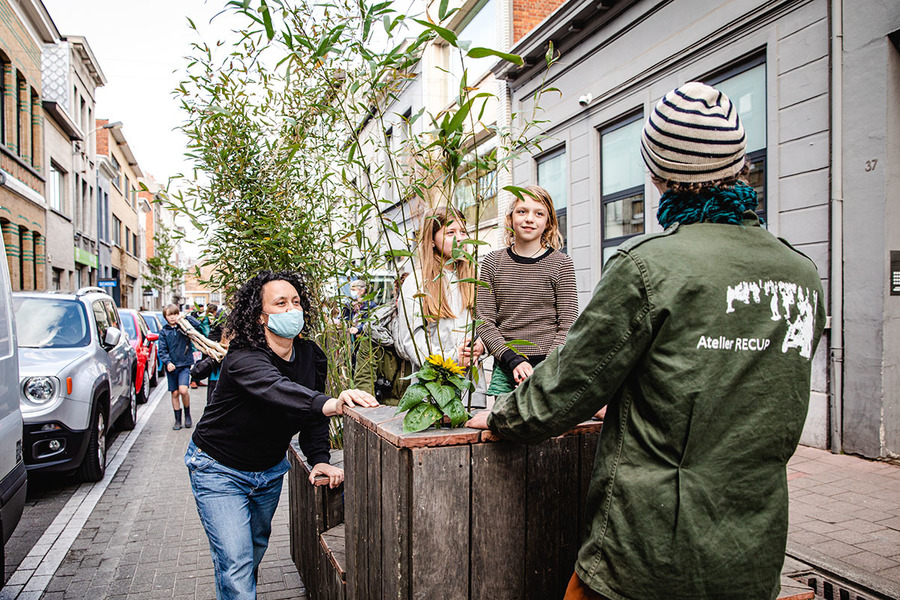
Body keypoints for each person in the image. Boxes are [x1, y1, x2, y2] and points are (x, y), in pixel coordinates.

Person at [466, 82, 827, 600]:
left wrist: (503, 417)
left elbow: (571, 385)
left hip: (648, 551)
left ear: (659, 177)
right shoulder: (801, 273)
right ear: (741, 168)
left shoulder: (647, 266)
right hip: (752, 555)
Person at [185, 270, 377, 600]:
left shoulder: (311, 355)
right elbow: (277, 389)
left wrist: (319, 460)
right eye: (280, 303)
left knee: (253, 551)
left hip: (269, 472)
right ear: (260, 316)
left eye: (296, 302)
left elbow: (311, 417)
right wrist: (333, 403)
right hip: (218, 469)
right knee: (236, 561)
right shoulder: (243, 357)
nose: (292, 309)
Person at [470, 185, 577, 394]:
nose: (529, 219)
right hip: (506, 366)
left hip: (551, 368)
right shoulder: (493, 262)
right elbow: (484, 322)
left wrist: (545, 369)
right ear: (511, 218)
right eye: (522, 211)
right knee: (499, 424)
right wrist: (513, 360)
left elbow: (569, 322)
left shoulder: (561, 264)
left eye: (539, 214)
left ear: (548, 222)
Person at [396, 206, 487, 408]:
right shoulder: (417, 282)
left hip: (471, 387)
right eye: (451, 233)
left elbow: (486, 324)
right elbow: (410, 340)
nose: (460, 238)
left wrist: (482, 346)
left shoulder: (473, 278)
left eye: (463, 232)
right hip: (433, 388)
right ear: (432, 239)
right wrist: (453, 358)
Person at [353, 273, 412, 405]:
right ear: (397, 302)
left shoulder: (431, 334)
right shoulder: (375, 332)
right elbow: (364, 381)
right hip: (384, 409)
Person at [157, 304, 196, 430]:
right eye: (169, 315)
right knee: (175, 393)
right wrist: (168, 362)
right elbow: (162, 350)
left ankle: (187, 414)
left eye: (175, 314)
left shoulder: (183, 328)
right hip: (172, 366)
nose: (173, 317)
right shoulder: (164, 332)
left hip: (184, 364)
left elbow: (197, 326)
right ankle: (178, 419)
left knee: (183, 390)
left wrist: (186, 318)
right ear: (165, 317)